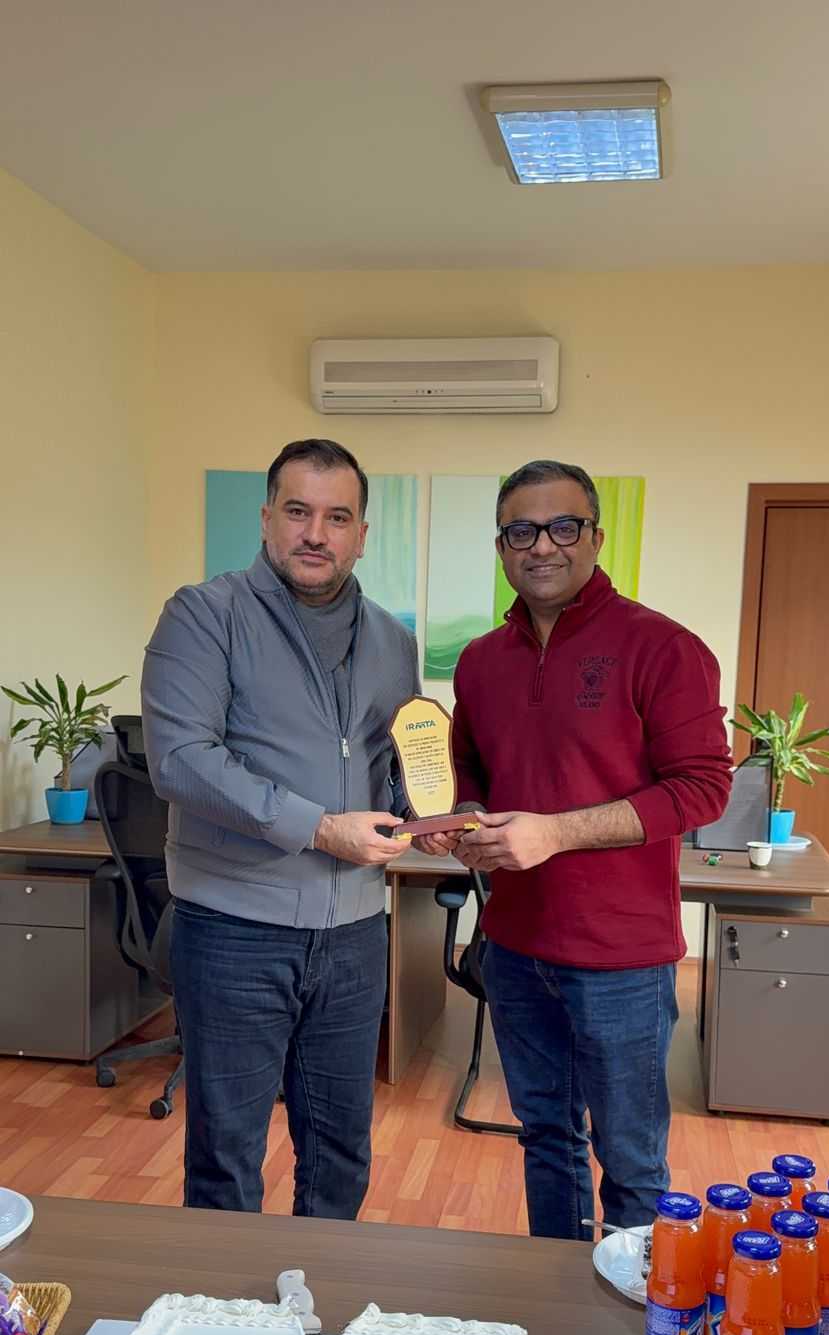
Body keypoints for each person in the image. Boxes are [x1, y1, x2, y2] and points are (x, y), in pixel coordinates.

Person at [418, 459, 732, 1238]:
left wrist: (555, 832)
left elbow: (702, 789)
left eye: (564, 527)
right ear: (502, 547)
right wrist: (467, 825)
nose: (543, 547)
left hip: (622, 957)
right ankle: (559, 1303)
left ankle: (632, 1332)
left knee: (630, 1160)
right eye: (522, 530)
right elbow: (473, 775)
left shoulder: (663, 647)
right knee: (546, 1139)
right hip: (516, 947)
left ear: (594, 537)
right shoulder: (482, 661)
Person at [142, 438, 418, 1218]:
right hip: (234, 931)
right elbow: (183, 761)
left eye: (337, 517)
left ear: (362, 532)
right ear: (267, 519)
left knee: (341, 1152)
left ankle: (318, 1319)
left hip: (358, 936)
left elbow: (389, 765)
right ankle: (229, 1331)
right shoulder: (204, 614)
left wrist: (428, 817)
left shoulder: (393, 642)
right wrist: (322, 829)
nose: (315, 534)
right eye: (297, 511)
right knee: (226, 1155)